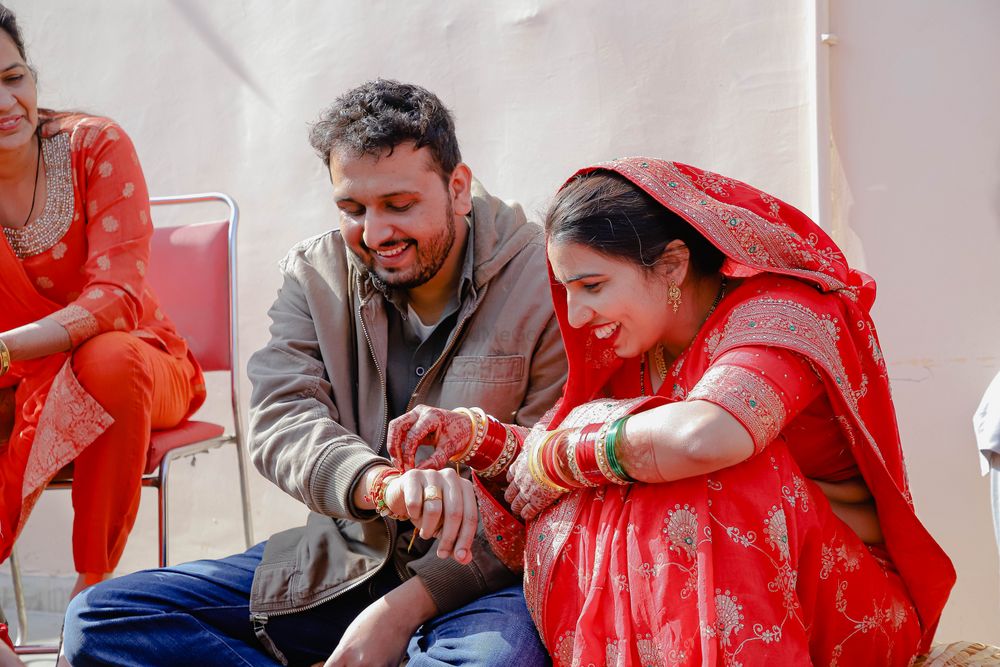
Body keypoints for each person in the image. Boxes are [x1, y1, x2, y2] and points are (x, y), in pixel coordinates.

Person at [63, 79, 566, 667]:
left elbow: (545, 487)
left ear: (458, 188)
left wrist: (398, 612)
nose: (376, 235)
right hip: (343, 558)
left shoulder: (548, 279)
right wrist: (377, 483)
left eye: (399, 206)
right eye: (352, 210)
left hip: (480, 579)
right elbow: (282, 418)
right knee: (103, 620)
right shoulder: (315, 275)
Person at [388, 157, 956, 665]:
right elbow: (553, 465)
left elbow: (703, 439)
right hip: (710, 618)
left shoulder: (784, 314)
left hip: (841, 613)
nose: (578, 315)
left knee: (713, 477)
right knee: (615, 466)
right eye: (569, 291)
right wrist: (476, 439)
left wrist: (564, 453)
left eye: (592, 285)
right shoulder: (634, 350)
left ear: (673, 264)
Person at [0, 2, 205, 649]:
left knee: (106, 360)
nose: (7, 101)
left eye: (13, 77)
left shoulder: (95, 145)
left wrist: (7, 348)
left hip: (143, 364)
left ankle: (92, 599)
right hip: (17, 381)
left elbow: (115, 297)